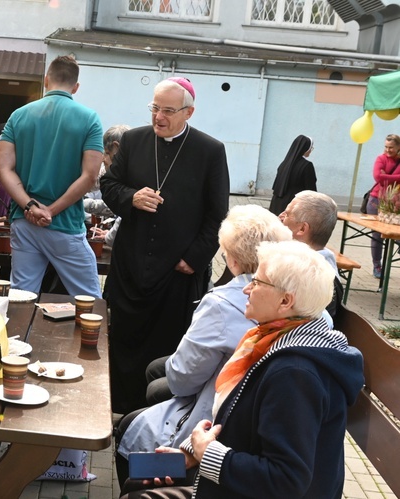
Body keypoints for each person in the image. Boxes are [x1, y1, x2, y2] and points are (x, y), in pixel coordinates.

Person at [120, 240, 364, 499]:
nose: (247, 289)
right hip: (244, 480)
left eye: (258, 282)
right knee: (139, 475)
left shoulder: (295, 373)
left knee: (137, 494)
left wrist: (209, 455)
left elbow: (286, 480)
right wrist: (192, 454)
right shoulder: (275, 341)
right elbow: (251, 429)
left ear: (285, 301)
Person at [114, 205, 291, 485]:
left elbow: (185, 379)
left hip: (225, 429)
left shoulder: (226, 304)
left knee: (131, 430)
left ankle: (135, 485)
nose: (246, 292)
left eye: (253, 287)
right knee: (151, 389)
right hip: (253, 427)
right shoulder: (314, 318)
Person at [100, 76, 230, 415]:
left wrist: (195, 259)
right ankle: (118, 408)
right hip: (131, 265)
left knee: (166, 345)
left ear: (189, 112)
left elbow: (218, 214)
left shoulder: (210, 151)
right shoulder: (133, 140)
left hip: (177, 272)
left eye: (168, 111)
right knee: (124, 340)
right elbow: (109, 185)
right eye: (154, 108)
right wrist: (131, 197)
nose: (158, 117)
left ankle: (155, 412)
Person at [0, 54, 104, 297]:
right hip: (64, 223)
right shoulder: (90, 119)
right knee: (89, 300)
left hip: (24, 219)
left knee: (21, 296)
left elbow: (3, 169)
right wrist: (50, 212)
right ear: (76, 87)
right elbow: (89, 177)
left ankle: (16, 335)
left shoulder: (18, 115)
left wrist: (31, 206)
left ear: (46, 81)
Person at [278, 190, 343, 319]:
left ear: (302, 229)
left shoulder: (310, 277)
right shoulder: (312, 264)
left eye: (287, 214)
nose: (280, 217)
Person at [366, 134, 400, 278]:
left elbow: (384, 178)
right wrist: (394, 179)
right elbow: (377, 177)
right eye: (386, 147)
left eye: (391, 147)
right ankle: (377, 266)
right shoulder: (381, 158)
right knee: (377, 236)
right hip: (376, 200)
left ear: (398, 147)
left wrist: (386, 176)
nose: (388, 150)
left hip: (395, 202)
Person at [91, 125, 131, 247]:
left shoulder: (131, 173)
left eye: (107, 153)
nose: (104, 159)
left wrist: (109, 237)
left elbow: (124, 212)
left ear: (116, 147)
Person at [268, 135, 316, 216]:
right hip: (293, 208)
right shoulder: (307, 166)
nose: (311, 150)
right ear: (305, 148)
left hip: (276, 206)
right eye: (311, 148)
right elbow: (311, 190)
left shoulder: (284, 164)